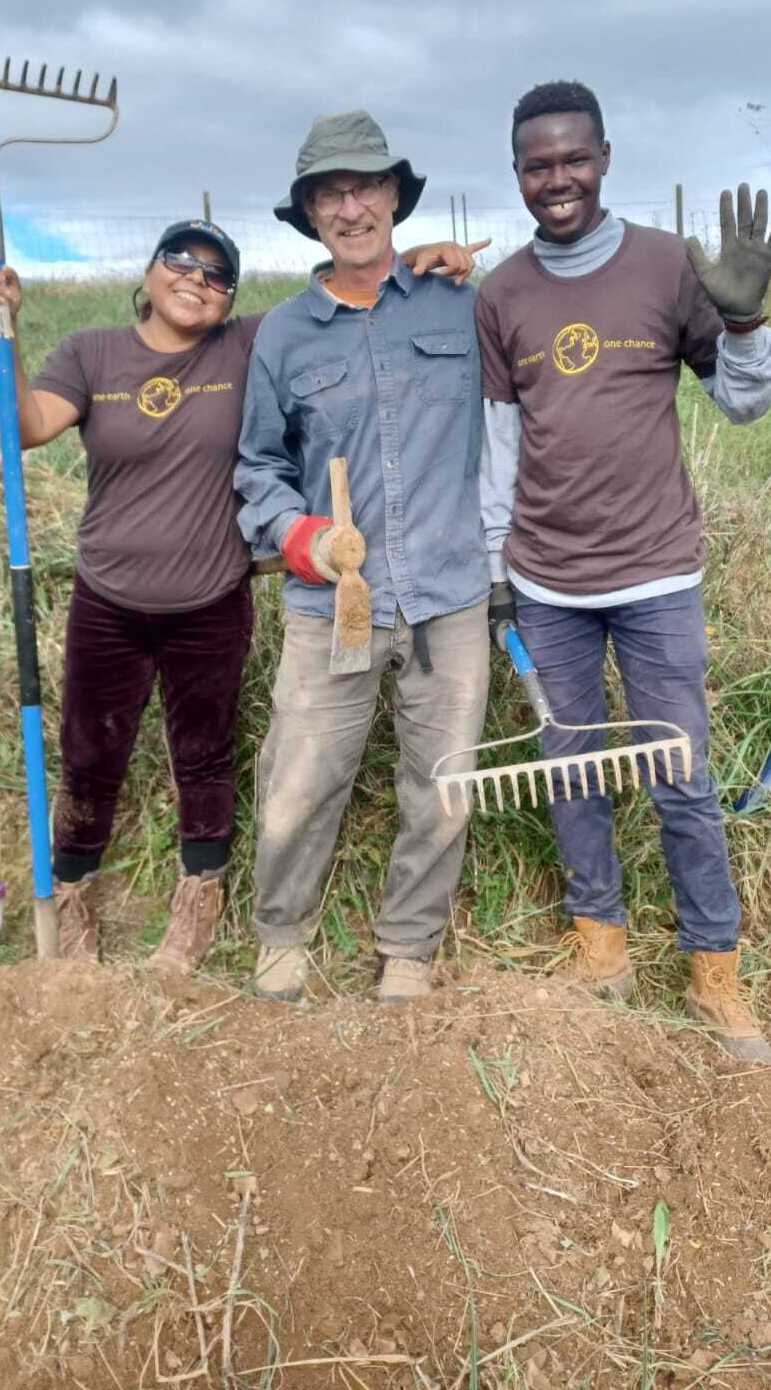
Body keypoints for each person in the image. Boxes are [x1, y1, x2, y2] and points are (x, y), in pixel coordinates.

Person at [0, 222, 476, 972]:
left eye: (217, 275)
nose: (196, 280)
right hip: (108, 595)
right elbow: (25, 426)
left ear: (230, 297)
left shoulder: (247, 343)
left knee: (203, 757)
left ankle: (197, 899)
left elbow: (350, 298)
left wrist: (422, 261)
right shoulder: (92, 352)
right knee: (88, 752)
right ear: (147, 271)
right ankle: (72, 895)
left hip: (209, 597)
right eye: (180, 261)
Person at [477, 79, 771, 1063]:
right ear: (518, 173)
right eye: (538, 164)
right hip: (549, 584)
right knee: (570, 766)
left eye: (573, 158)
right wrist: (498, 569)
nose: (556, 178)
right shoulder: (504, 294)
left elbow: (742, 403)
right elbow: (500, 441)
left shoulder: (666, 265)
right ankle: (600, 947)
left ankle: (714, 971)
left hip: (655, 576)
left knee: (680, 773)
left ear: (604, 157)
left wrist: (743, 325)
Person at [235, 109, 491, 1004]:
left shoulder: (460, 302)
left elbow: (539, 373)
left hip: (448, 599)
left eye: (366, 186)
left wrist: (473, 260)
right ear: (309, 213)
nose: (351, 207)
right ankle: (281, 935)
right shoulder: (284, 335)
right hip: (330, 603)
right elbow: (259, 467)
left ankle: (409, 950)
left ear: (394, 197)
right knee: (300, 780)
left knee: (442, 784)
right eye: (329, 193)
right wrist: (300, 538)